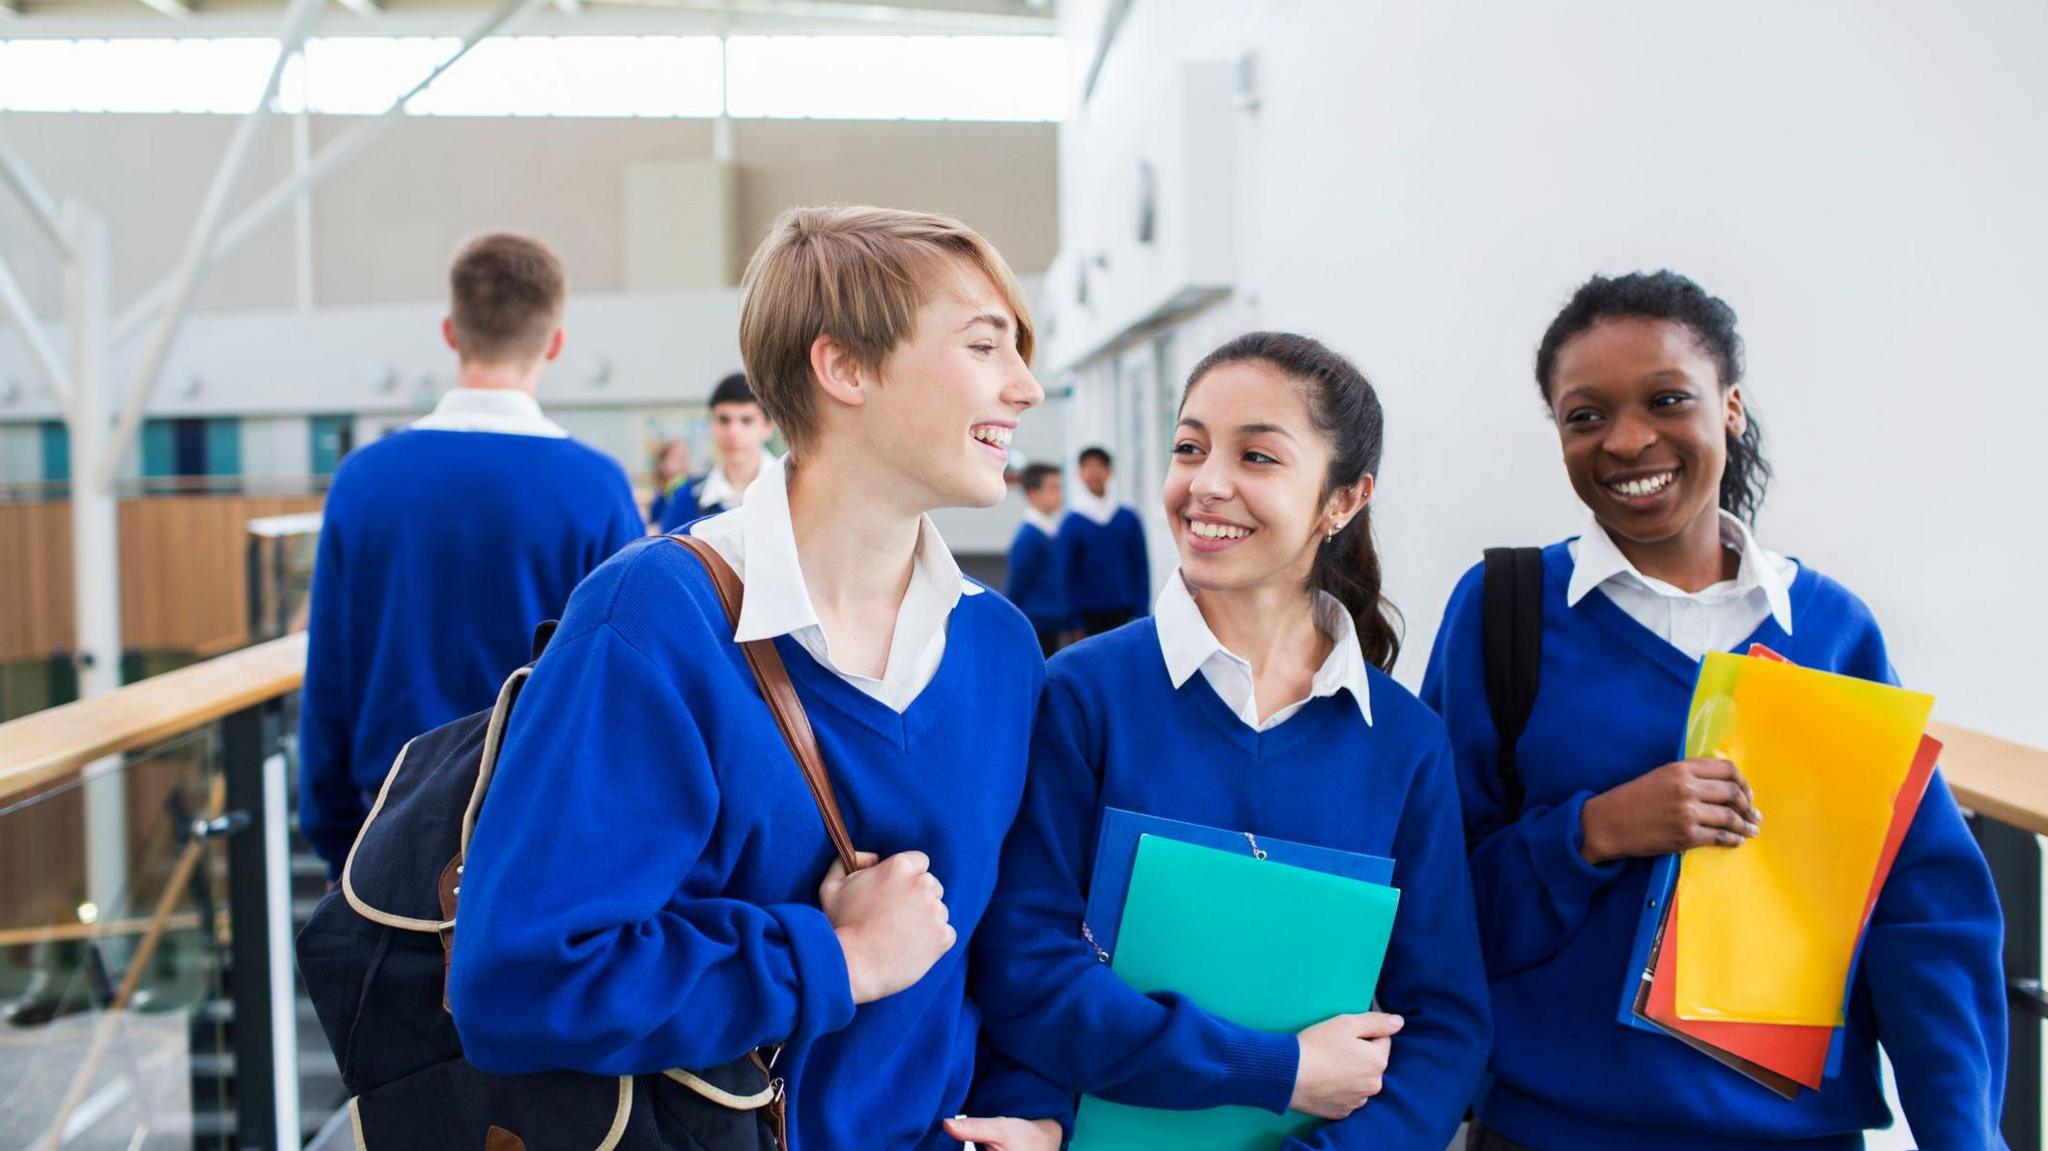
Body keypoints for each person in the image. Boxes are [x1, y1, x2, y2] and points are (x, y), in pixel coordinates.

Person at [448, 206, 1068, 1151]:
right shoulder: (654, 620)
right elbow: (521, 979)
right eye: (986, 346)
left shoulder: (998, 648)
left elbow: (1006, 947)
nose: (1025, 386)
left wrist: (1036, 1113)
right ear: (845, 367)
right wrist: (834, 957)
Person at [1423, 271, 2006, 1150]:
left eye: (1667, 399)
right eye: (1585, 416)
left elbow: (1920, 911)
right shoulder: (1503, 612)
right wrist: (1594, 830)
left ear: (1729, 408)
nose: (1626, 440)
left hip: (1794, 1136)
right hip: (1550, 1134)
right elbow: (1436, 903)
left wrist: (1964, 1134)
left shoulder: (1830, 629)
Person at [955, 332, 1491, 1151]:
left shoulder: (1406, 742)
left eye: (1257, 457)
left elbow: (1443, 1022)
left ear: (1342, 499)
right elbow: (1026, 968)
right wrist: (1271, 1066)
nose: (1207, 484)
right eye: (1189, 447)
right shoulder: (1083, 696)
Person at [297, 233, 642, 878]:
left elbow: (331, 673)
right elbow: (619, 686)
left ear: (450, 331)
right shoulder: (593, 487)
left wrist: (333, 828)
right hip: (540, 834)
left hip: (387, 826)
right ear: (556, 342)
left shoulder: (364, 481)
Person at [658, 370, 778, 532]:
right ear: (711, 424)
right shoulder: (685, 498)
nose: (733, 432)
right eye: (724, 420)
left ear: (768, 427)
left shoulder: (793, 492)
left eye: (746, 420)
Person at [1056, 446, 1151, 635]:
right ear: (1080, 474)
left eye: (1099, 466)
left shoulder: (1127, 517)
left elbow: (1140, 566)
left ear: (1109, 472)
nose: (1094, 473)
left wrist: (1142, 611)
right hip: (1087, 615)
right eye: (1088, 468)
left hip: (1124, 610)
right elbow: (1065, 573)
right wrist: (1071, 619)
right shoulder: (1072, 522)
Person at [1006, 462, 1072, 655]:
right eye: (1052, 488)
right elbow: (1017, 587)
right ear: (1033, 494)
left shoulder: (1051, 530)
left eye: (1060, 488)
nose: (1059, 495)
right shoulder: (1029, 537)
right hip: (1037, 624)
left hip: (1053, 621)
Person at [644, 438, 692, 530]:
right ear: (662, 463)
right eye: (676, 458)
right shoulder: (662, 495)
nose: (683, 462)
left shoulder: (690, 491)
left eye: (684, 457)